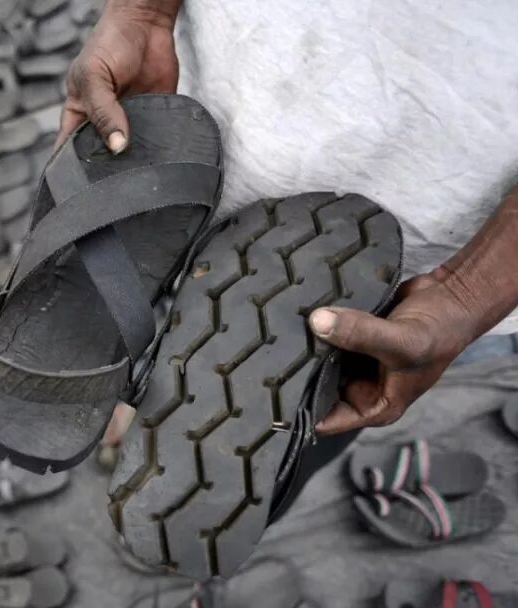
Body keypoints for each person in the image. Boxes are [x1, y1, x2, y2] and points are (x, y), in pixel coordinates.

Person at [60, 0, 518, 443]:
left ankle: (159, 410)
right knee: (135, 282)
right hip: (216, 83)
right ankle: (138, 387)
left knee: (317, 368)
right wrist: (143, 12)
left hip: (425, 229)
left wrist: (467, 292)